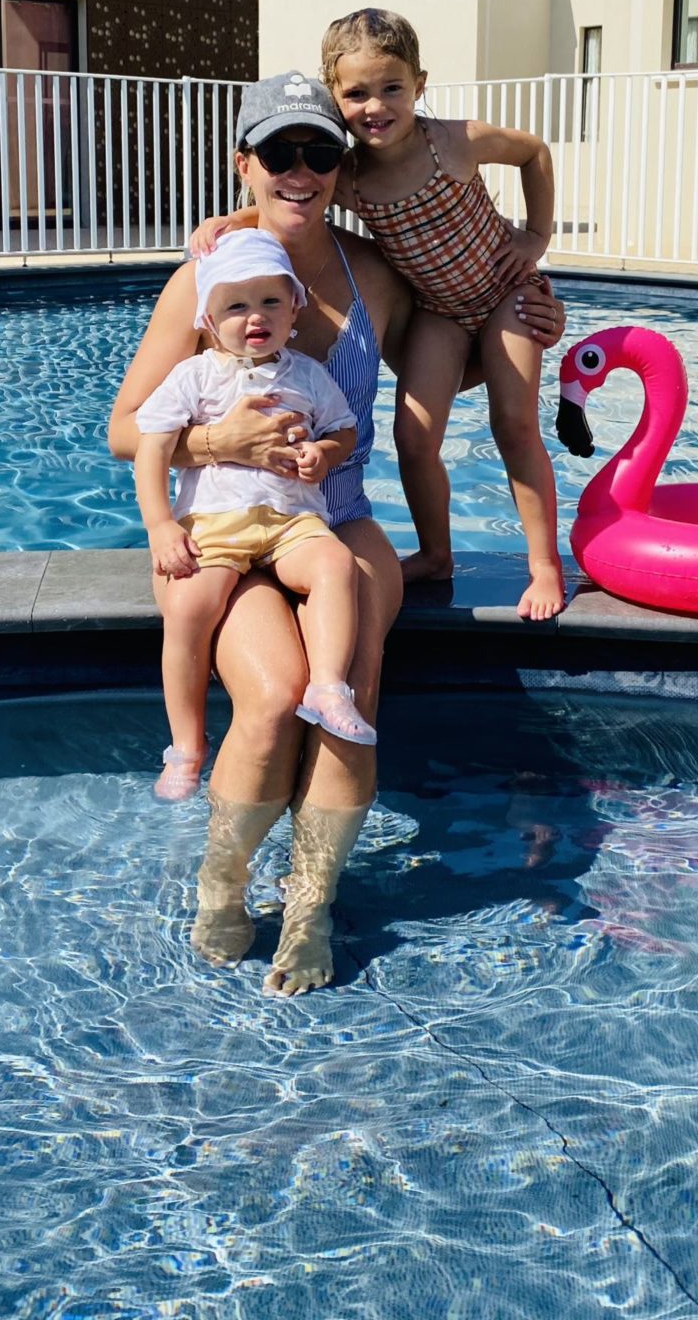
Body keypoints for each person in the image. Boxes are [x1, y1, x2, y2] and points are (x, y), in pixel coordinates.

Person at [108, 71, 566, 996]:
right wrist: (219, 441)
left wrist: (527, 318)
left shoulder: (376, 275)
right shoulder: (205, 276)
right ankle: (224, 885)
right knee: (276, 695)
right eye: (279, 152)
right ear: (245, 164)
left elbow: (451, 367)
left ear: (339, 165)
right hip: (221, 525)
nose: (301, 170)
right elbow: (127, 428)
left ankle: (310, 905)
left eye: (320, 151)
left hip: (337, 517)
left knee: (348, 695)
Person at [195, 10, 567, 621]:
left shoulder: (455, 142)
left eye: (392, 87)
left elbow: (534, 152)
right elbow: (289, 191)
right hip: (440, 314)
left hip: (508, 295)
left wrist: (536, 236)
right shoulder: (349, 175)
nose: (375, 106)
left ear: (419, 84)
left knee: (513, 424)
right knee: (413, 437)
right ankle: (438, 555)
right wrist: (231, 221)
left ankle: (544, 564)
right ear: (335, 95)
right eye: (356, 94)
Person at [134, 228, 375, 803]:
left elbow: (344, 429)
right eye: (235, 306)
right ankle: (186, 745)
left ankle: (327, 687)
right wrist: (161, 525)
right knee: (189, 608)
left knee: (336, 566)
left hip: (291, 521)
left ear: (295, 310)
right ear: (208, 321)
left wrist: (325, 453)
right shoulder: (195, 376)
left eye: (270, 301)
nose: (255, 316)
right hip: (215, 525)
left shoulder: (308, 374)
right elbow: (151, 450)